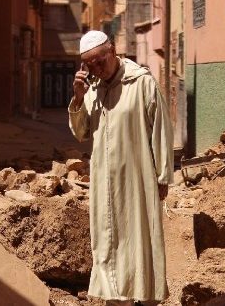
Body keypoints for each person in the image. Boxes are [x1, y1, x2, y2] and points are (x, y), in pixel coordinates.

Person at [68, 30, 173, 306]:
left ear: (112, 51)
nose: (96, 69)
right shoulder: (93, 91)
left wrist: (163, 176)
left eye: (99, 61)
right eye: (89, 65)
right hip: (104, 182)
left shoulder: (142, 83)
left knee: (140, 239)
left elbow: (161, 129)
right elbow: (81, 132)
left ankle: (145, 296)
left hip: (137, 179)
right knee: (108, 241)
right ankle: (115, 300)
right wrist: (78, 99)